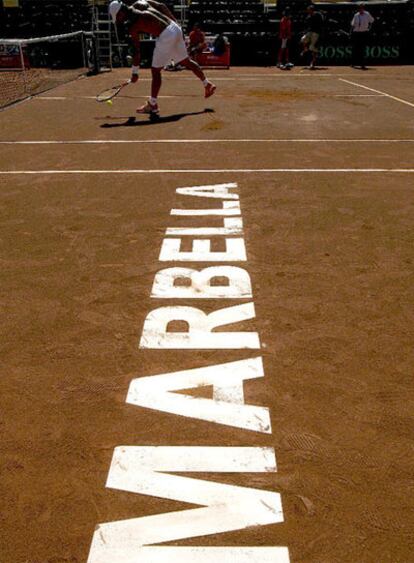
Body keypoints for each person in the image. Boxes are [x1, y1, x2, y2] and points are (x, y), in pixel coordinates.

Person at [109, 0, 216, 115]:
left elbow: (136, 51)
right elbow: (161, 6)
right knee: (186, 61)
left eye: (118, 18)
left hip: (165, 35)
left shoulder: (132, 25)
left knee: (155, 71)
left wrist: (135, 73)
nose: (119, 21)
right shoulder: (140, 2)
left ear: (121, 13)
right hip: (174, 27)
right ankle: (207, 84)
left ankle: (153, 104)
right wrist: (175, 23)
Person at [350, 3, 374, 69]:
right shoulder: (356, 15)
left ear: (363, 8)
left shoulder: (367, 14)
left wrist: (369, 29)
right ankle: (353, 63)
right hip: (356, 34)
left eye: (361, 7)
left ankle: (362, 64)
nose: (360, 9)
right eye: (359, 8)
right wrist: (351, 33)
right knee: (355, 49)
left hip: (364, 34)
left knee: (362, 49)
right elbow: (352, 25)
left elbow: (372, 21)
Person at [301, 4, 324, 69]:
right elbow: (307, 26)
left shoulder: (318, 15)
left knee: (311, 47)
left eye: (309, 10)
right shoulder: (308, 17)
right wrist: (305, 31)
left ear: (312, 10)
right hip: (310, 32)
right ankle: (305, 49)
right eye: (308, 10)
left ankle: (312, 63)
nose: (308, 11)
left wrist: (321, 33)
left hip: (316, 33)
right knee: (303, 39)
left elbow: (322, 23)